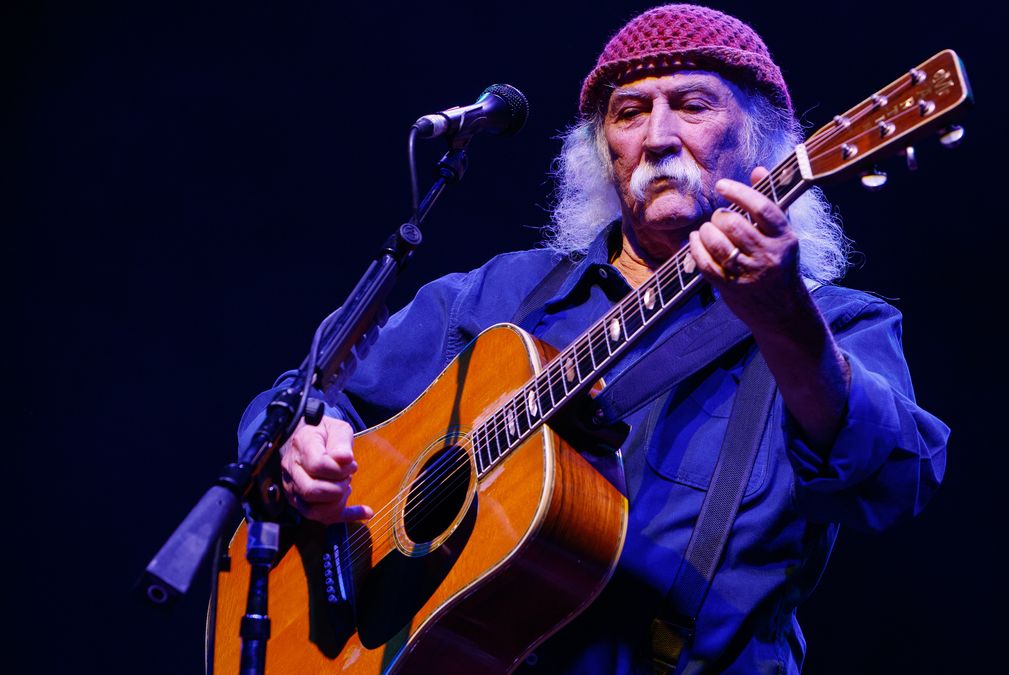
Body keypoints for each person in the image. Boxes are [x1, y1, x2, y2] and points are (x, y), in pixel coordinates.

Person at [239, 4, 949, 672]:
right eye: (629, 113)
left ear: (763, 137)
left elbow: (895, 481)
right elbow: (303, 395)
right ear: (602, 150)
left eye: (693, 105)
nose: (658, 135)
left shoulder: (837, 322)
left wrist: (785, 315)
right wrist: (309, 440)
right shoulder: (504, 295)